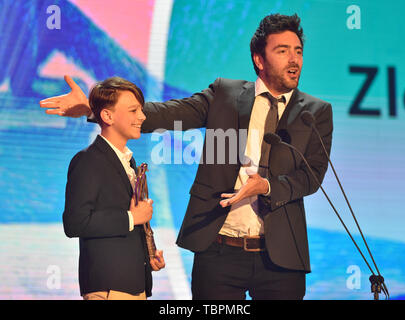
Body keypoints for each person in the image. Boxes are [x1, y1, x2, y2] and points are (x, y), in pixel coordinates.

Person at [41, 13, 332, 300]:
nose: (294, 60)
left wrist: (266, 187)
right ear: (259, 59)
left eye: (298, 52)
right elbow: (170, 114)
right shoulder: (226, 95)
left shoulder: (314, 112)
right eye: (282, 51)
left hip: (280, 258)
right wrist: (97, 110)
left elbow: (311, 176)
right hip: (220, 251)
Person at [62, 77, 165, 300]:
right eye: (133, 110)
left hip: (134, 287)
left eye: (141, 109)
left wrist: (148, 258)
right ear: (107, 116)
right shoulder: (88, 161)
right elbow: (75, 223)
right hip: (108, 289)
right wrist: (131, 217)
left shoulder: (128, 161)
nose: (142, 116)